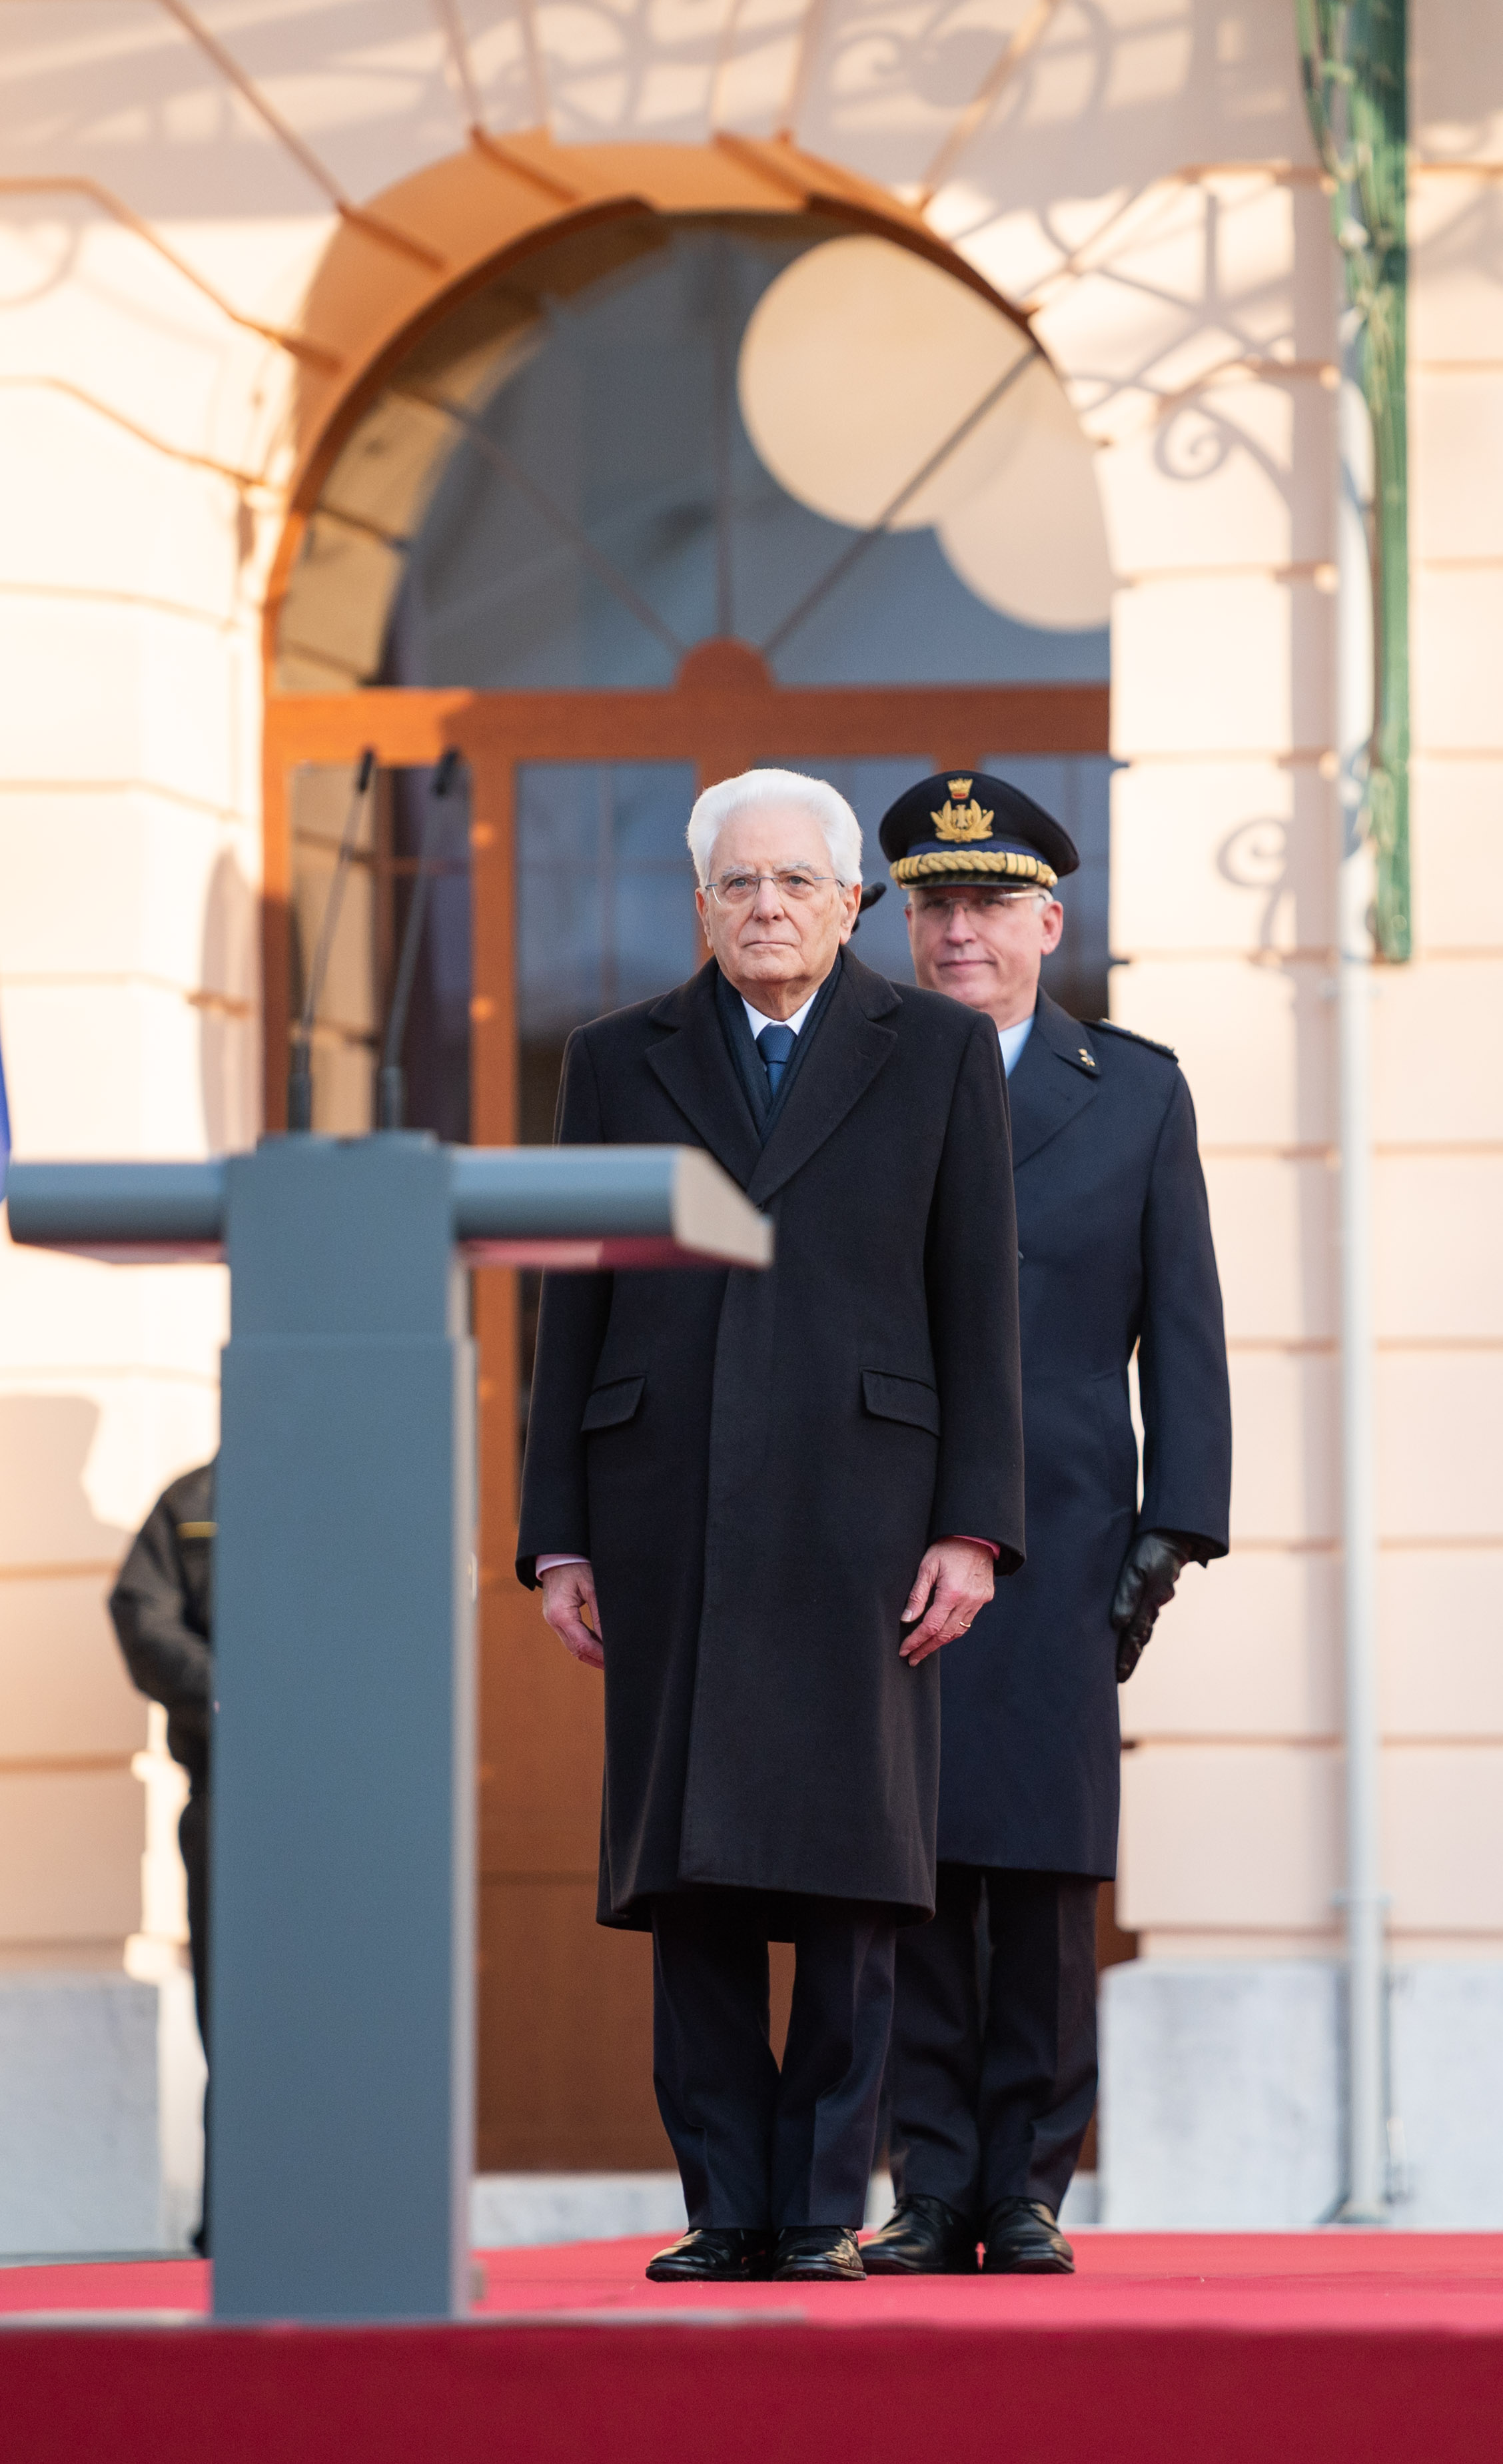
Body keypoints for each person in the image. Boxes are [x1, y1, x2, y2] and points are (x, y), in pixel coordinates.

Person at [515, 767, 1025, 2287]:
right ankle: (725, 2203)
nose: (766, 906)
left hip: (865, 1514)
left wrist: (974, 1528)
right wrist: (558, 1534)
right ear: (699, 907)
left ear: (850, 902)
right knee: (691, 1879)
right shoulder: (615, 1058)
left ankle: (815, 2209)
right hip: (664, 1508)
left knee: (853, 1878)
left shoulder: (937, 1051)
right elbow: (569, 1305)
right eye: (737, 882)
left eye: (796, 881)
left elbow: (976, 1300)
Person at [857, 771, 1233, 2279]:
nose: (960, 930)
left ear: (1048, 924)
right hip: (887, 1522)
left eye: (989, 904)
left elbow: (1182, 1323)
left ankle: (1025, 2185)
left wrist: (1176, 1525)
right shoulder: (860, 1075)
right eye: (934, 904)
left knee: (1043, 1863)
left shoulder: (1131, 1088)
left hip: (1067, 1528)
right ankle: (926, 2179)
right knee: (905, 1859)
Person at [107, 1457, 217, 2254]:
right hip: (234, 1794)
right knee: (237, 2014)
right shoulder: (193, 1503)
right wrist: (235, 1688)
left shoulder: (354, 1490)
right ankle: (239, 2220)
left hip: (347, 1796)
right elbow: (142, 1617)